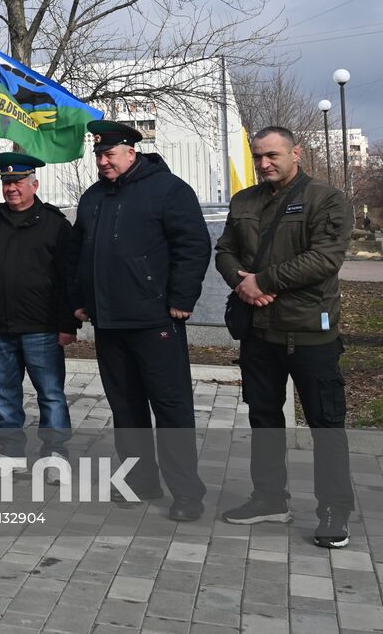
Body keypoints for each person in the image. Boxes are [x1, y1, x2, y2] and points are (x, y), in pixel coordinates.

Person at [215, 126, 353, 548]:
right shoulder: (244, 200)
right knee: (263, 419)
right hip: (259, 333)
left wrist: (264, 280)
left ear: (297, 152)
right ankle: (269, 498)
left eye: (272, 155)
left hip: (310, 332)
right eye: (258, 157)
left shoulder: (326, 198)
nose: (263, 164)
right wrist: (242, 282)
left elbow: (324, 259)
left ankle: (333, 510)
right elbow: (224, 250)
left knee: (325, 423)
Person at [71, 119, 211, 522]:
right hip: (109, 323)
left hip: (155, 322)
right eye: (98, 154)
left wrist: (182, 298)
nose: (102, 162)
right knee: (126, 408)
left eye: (109, 154)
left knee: (171, 408)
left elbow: (194, 244)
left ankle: (186, 492)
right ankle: (140, 480)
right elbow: (78, 255)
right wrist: (80, 301)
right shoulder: (93, 197)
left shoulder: (168, 189)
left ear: (131, 152)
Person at [0, 153, 77, 464]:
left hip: (42, 328)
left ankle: (55, 454)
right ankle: (11, 452)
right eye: (7, 182)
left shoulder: (54, 225)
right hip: (1, 328)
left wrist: (68, 325)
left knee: (51, 395)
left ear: (34, 184)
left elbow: (69, 278)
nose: (12, 188)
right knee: (3, 395)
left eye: (18, 182)